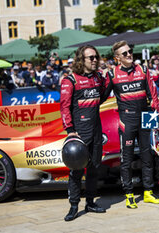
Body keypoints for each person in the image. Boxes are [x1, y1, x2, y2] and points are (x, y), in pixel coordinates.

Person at [102, 40, 159, 209]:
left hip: (145, 118)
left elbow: (153, 95)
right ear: (117, 58)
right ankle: (129, 194)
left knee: (147, 156)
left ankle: (148, 192)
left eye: (130, 51)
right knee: (126, 159)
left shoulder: (142, 70)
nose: (129, 55)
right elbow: (101, 97)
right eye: (125, 54)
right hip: (126, 121)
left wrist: (157, 117)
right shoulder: (112, 74)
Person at [60, 45, 107, 221]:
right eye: (91, 58)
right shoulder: (70, 80)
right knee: (76, 170)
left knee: (94, 167)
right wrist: (70, 131)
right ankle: (73, 206)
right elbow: (64, 108)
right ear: (82, 59)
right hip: (79, 132)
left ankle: (90, 202)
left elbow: (102, 97)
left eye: (96, 57)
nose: (95, 60)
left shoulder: (97, 78)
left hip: (96, 130)